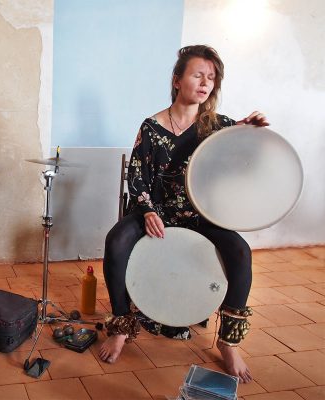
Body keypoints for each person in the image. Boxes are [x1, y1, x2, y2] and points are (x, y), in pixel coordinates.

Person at [98, 45, 269, 384]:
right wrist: (146, 210)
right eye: (197, 75)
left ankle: (228, 341)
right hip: (156, 210)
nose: (206, 83)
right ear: (177, 80)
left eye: (211, 77)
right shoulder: (151, 126)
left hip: (200, 216)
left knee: (239, 251)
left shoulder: (218, 126)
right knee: (116, 240)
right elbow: (137, 175)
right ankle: (121, 326)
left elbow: (242, 159)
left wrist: (248, 133)